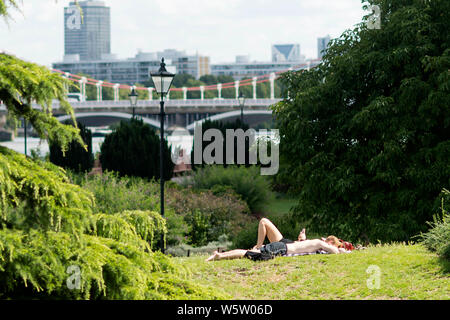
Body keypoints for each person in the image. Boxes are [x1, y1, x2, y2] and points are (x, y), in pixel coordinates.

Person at [206, 218, 346, 262]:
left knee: (247, 252)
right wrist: (341, 250)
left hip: (285, 246)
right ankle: (220, 256)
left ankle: (220, 256)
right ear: (331, 243)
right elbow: (334, 251)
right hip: (282, 247)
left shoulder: (315, 243)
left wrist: (302, 239)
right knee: (247, 253)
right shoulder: (319, 243)